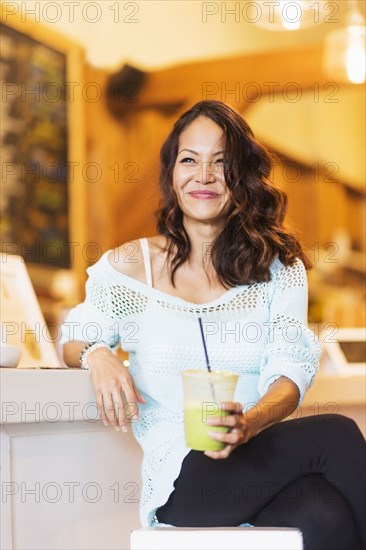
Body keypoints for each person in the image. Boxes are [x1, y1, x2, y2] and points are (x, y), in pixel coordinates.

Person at [61, 100, 365, 550]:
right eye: (190, 160)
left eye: (221, 163)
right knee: (336, 433)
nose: (203, 176)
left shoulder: (277, 268)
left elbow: (290, 370)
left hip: (255, 458)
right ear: (171, 175)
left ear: (241, 178)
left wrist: (252, 422)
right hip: (185, 480)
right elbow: (73, 338)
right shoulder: (131, 266)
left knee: (324, 512)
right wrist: (98, 353)